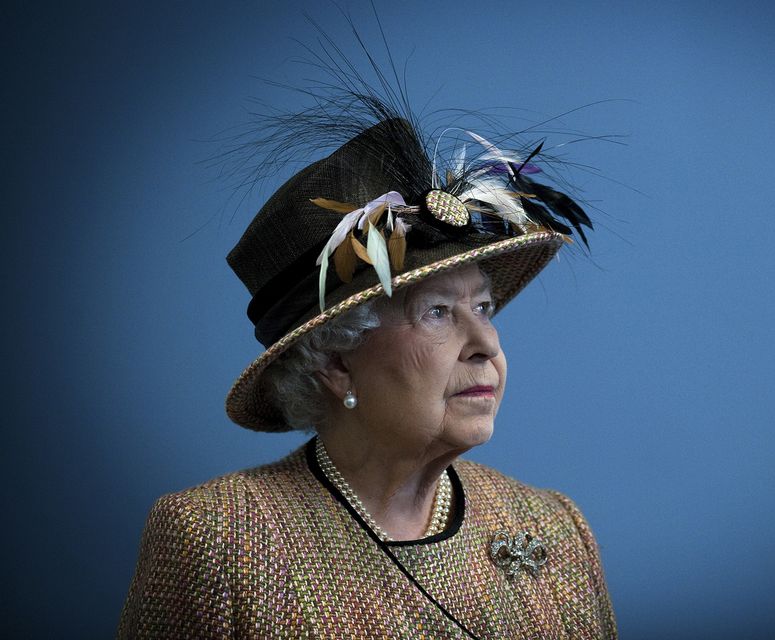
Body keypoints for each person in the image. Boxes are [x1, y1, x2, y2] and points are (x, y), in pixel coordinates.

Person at [118, 107, 617, 638]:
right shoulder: (219, 539)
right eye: (436, 312)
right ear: (336, 363)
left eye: (483, 308)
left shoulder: (554, 528)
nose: (487, 345)